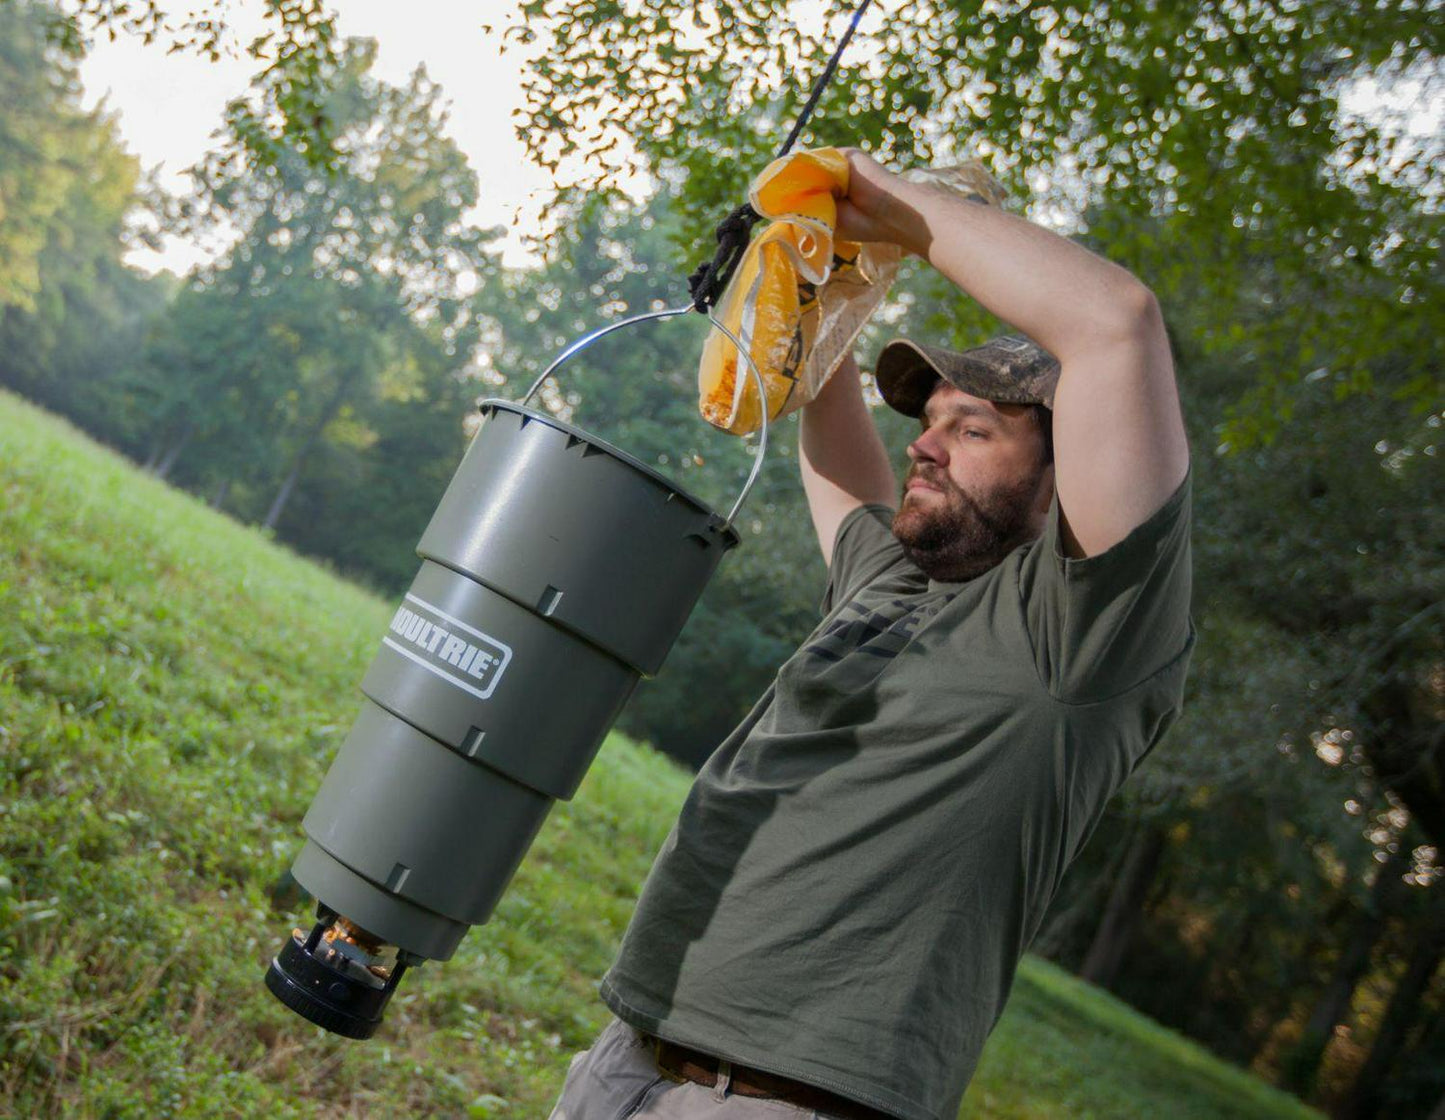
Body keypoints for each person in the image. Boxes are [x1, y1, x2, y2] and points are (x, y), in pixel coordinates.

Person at [548, 148, 1194, 1120]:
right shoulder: (886, 578)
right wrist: (800, 260)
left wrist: (869, 189)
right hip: (629, 1056)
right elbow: (812, 370)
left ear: (1070, 476)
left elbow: (1116, 323)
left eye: (972, 430)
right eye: (927, 419)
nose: (923, 442)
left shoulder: (1082, 639)